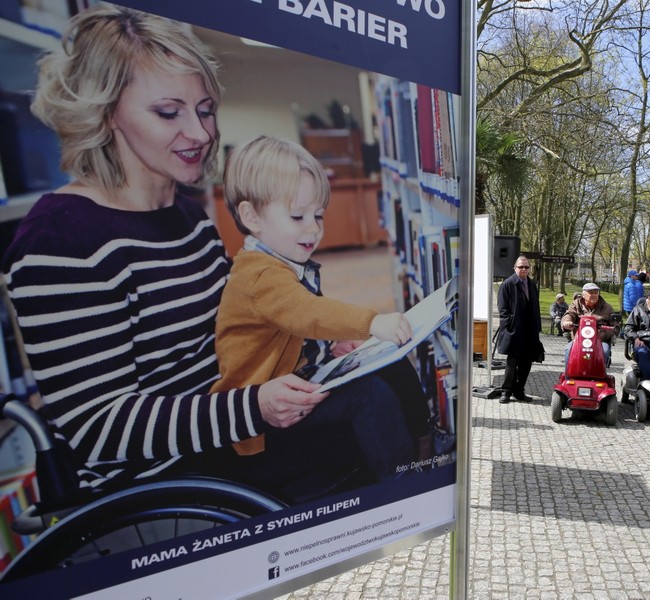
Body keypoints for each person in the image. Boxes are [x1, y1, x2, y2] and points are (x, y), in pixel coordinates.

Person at [1, 6, 413, 499]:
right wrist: (253, 407)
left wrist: (319, 347)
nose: (200, 134)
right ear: (106, 113)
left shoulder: (188, 214)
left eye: (205, 109)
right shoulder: (59, 240)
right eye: (169, 112)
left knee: (386, 361)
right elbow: (99, 427)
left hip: (229, 423)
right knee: (369, 410)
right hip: (166, 473)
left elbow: (238, 327)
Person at [212, 136, 427, 478]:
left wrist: (330, 345)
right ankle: (401, 479)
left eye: (318, 216)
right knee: (367, 396)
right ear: (252, 216)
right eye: (297, 216)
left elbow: (292, 325)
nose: (312, 228)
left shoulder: (279, 263)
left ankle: (422, 448)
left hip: (296, 382)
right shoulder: (259, 275)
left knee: (389, 363)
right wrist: (370, 322)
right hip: (263, 424)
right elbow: (307, 312)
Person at [496, 256, 541, 403]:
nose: (524, 269)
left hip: (529, 331)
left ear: (530, 269)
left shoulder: (532, 283)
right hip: (514, 330)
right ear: (515, 268)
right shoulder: (508, 284)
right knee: (512, 362)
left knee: (526, 363)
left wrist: (537, 326)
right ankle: (506, 391)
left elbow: (536, 307)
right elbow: (503, 309)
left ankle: (519, 391)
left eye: (526, 267)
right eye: (521, 267)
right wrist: (509, 324)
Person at [561, 283, 615, 367]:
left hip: (600, 340)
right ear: (583, 294)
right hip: (579, 340)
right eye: (591, 292)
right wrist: (567, 321)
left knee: (604, 351)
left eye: (596, 292)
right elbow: (569, 314)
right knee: (569, 349)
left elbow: (616, 326)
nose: (594, 295)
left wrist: (604, 333)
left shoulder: (607, 307)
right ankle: (569, 374)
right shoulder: (576, 304)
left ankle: (601, 374)